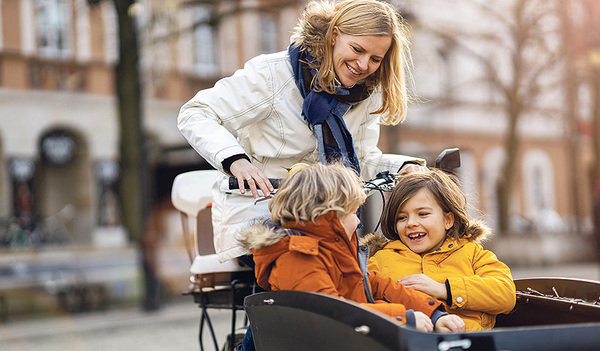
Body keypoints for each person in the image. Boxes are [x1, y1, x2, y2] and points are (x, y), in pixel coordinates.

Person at [177, 0, 426, 264]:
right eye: (357, 49)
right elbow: (196, 112)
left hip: (328, 223)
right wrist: (235, 161)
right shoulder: (272, 75)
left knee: (384, 267)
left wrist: (405, 168)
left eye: (375, 59)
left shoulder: (364, 95)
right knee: (315, 268)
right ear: (334, 35)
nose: (364, 65)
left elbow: (359, 163)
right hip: (264, 219)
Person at [238, 163, 464, 349]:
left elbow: (378, 284)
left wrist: (433, 313)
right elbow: (330, 312)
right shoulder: (297, 257)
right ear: (329, 215)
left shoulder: (332, 251)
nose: (358, 221)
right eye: (351, 213)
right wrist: (404, 317)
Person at [367, 169, 516, 331]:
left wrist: (445, 289)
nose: (410, 223)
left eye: (422, 214)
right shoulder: (381, 260)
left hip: (471, 341)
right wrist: (409, 319)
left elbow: (505, 293)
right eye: (401, 218)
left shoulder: (472, 253)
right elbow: (367, 303)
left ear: (448, 220)